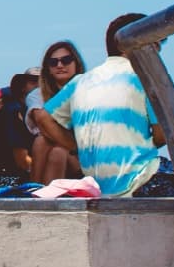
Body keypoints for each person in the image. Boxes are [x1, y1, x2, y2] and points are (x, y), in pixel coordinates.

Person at [35, 13, 163, 196]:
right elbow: (163, 135)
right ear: (136, 43)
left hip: (99, 185)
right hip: (140, 180)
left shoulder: (80, 81)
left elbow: (43, 117)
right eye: (155, 43)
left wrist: (76, 147)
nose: (157, 51)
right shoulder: (144, 78)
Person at [28, 40, 86, 183]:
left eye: (66, 60)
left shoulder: (87, 89)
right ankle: (38, 194)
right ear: (47, 68)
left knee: (47, 145)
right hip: (65, 151)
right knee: (51, 148)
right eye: (53, 62)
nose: (60, 65)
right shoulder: (37, 95)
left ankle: (35, 196)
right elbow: (41, 122)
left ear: (76, 63)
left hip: (84, 155)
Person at [0, 70, 40, 188]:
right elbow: (22, 161)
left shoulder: (23, 112)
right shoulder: (13, 112)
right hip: (11, 184)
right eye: (34, 82)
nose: (39, 86)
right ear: (22, 87)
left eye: (42, 82)